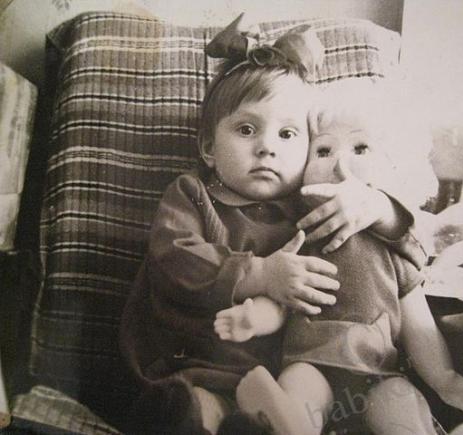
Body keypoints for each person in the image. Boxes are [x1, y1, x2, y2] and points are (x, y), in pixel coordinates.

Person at [120, 15, 425, 435]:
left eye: (287, 134)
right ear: (209, 147)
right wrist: (261, 274)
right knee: (192, 411)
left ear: (308, 149)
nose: (266, 146)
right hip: (191, 362)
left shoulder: (311, 206)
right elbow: (173, 259)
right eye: (247, 129)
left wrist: (378, 207)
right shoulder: (192, 194)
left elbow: (403, 252)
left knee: (269, 415)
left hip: (279, 382)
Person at [214, 86, 463, 435]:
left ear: (395, 165)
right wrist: (255, 318)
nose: (339, 163)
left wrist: (443, 378)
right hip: (311, 363)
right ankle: (286, 422)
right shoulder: (299, 235)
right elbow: (282, 296)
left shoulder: (391, 249)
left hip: (380, 374)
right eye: (323, 150)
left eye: (360, 148)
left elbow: (418, 325)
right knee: (300, 387)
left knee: (399, 405)